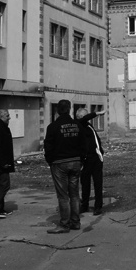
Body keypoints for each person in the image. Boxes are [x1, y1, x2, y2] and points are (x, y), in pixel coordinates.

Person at [44, 99, 83, 233]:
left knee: (63, 195)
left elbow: (48, 146)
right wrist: (81, 159)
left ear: (57, 110)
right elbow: (84, 144)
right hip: (76, 162)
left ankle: (64, 224)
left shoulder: (53, 127)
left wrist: (50, 160)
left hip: (59, 163)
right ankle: (75, 222)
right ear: (70, 109)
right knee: (74, 194)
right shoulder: (77, 125)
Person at [76, 107, 106, 216]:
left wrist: (100, 152)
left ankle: (98, 206)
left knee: (98, 183)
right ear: (80, 117)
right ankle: (84, 205)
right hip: (86, 159)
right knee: (85, 183)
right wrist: (97, 113)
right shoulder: (79, 124)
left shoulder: (88, 125)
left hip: (96, 158)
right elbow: (85, 119)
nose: (87, 117)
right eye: (85, 115)